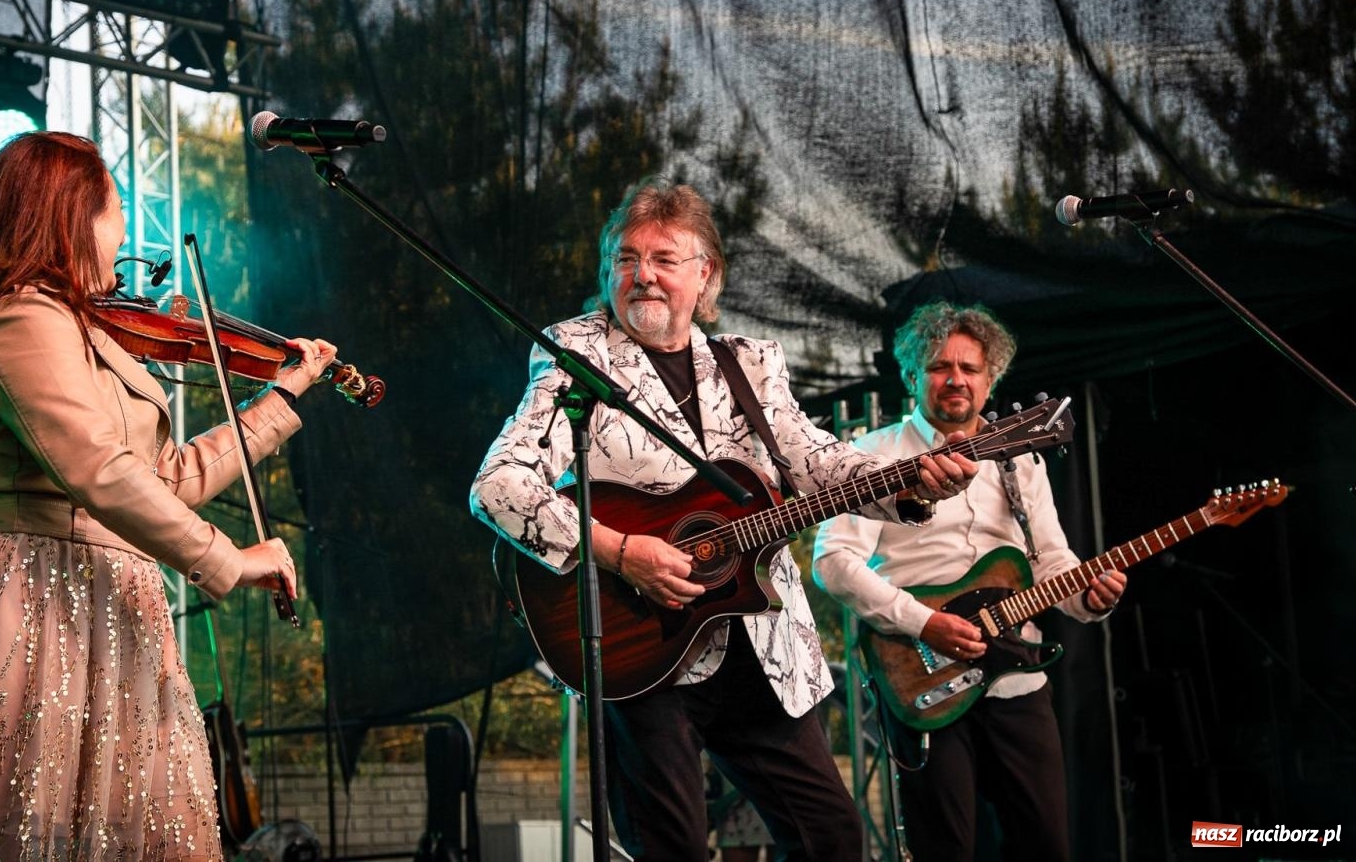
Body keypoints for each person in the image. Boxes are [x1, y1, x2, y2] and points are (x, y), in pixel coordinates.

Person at [0, 132, 337, 860]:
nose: (123, 234)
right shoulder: (19, 314)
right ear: (72, 215)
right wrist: (228, 560)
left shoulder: (89, 329)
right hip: (34, 594)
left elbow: (164, 478)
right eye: (115, 212)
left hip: (111, 601)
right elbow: (97, 467)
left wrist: (281, 398)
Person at [470, 180, 977, 862]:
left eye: (663, 258)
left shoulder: (750, 362)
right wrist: (621, 551)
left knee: (831, 836)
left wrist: (911, 480)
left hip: (758, 641)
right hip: (640, 645)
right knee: (672, 847)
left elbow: (817, 462)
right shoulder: (576, 352)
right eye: (626, 259)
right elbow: (498, 485)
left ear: (705, 273)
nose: (643, 275)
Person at [812, 301, 1126, 862]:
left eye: (970, 368)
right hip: (920, 675)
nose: (956, 378)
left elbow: (1051, 560)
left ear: (990, 380)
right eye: (939, 366)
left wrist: (1089, 596)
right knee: (945, 848)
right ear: (912, 376)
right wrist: (924, 622)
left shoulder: (1020, 459)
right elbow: (833, 562)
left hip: (1017, 678)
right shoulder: (870, 454)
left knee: (1047, 845)